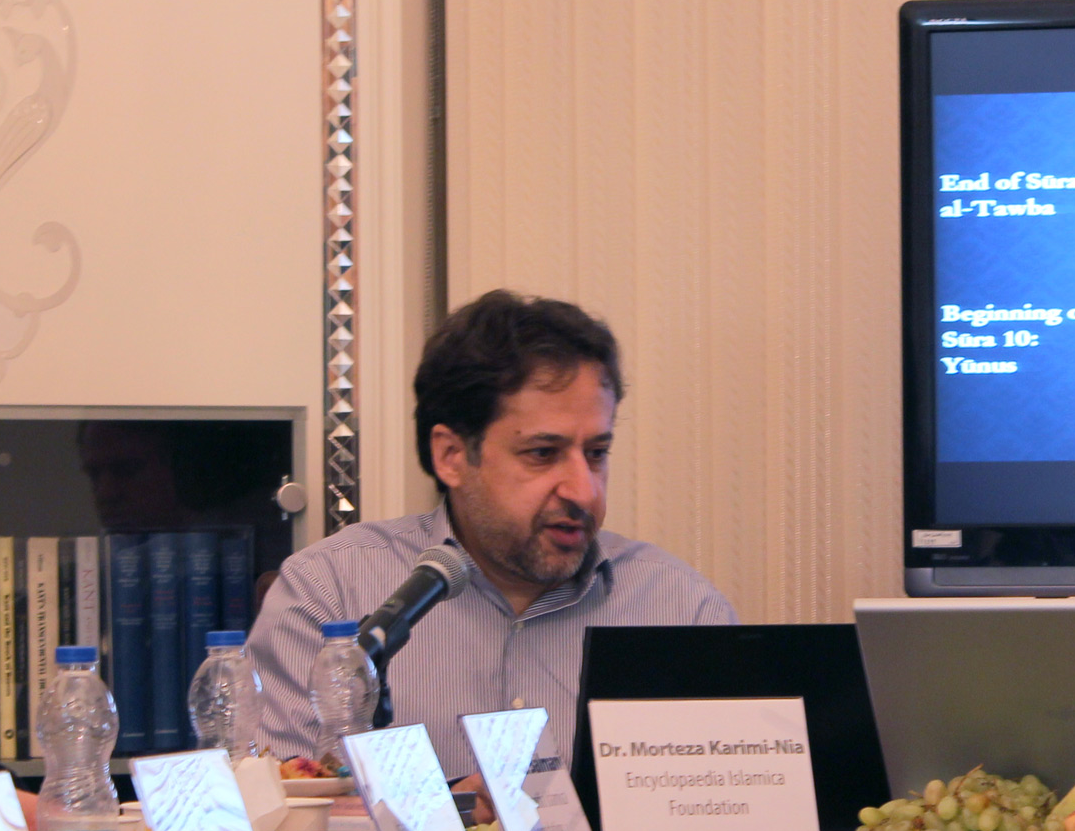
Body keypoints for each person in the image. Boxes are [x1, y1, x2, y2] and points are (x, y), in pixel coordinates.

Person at [249, 291, 736, 780]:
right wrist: (451, 808)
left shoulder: (681, 610)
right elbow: (281, 809)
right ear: (452, 456)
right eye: (543, 453)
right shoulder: (328, 593)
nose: (584, 491)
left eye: (596, 453)